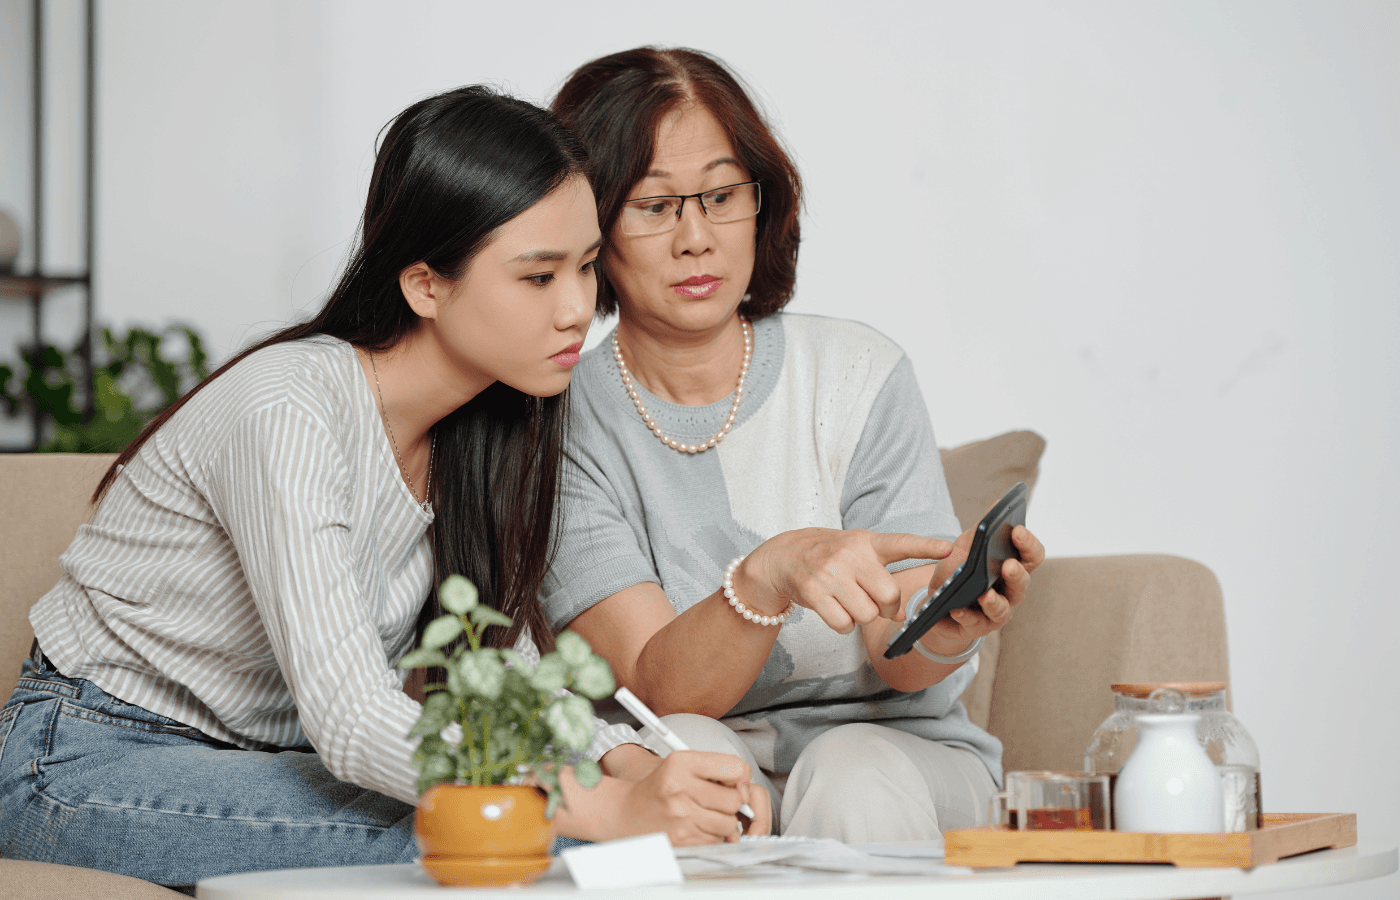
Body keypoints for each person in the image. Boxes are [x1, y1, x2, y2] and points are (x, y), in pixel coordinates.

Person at [0, 86, 767, 891]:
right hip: (83, 758)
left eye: (584, 267)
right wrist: (603, 811)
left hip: (260, 763)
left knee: (619, 841)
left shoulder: (488, 431)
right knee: (531, 848)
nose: (579, 309)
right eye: (538, 277)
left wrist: (634, 767)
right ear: (425, 285)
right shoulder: (288, 408)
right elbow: (352, 716)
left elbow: (501, 663)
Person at [543, 48, 1046, 841]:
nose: (696, 238)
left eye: (720, 195)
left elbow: (898, 655)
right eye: (653, 206)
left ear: (762, 198)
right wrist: (768, 575)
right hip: (687, 743)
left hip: (903, 755)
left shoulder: (858, 374)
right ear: (590, 229)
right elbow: (661, 685)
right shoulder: (560, 423)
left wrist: (944, 620)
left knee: (852, 775)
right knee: (696, 760)